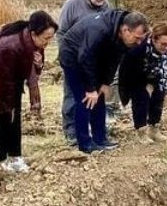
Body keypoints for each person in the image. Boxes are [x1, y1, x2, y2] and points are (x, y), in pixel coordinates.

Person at [58, 10, 150, 153]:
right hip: (74, 57)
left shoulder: (122, 35)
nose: (139, 43)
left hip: (95, 59)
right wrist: (90, 88)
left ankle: (100, 139)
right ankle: (85, 144)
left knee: (99, 97)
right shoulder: (99, 29)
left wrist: (105, 82)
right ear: (125, 30)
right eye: (137, 38)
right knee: (84, 99)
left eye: (141, 39)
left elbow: (114, 59)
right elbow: (85, 57)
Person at [0, 11, 57, 173]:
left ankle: (15, 157)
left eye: (51, 38)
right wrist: (6, 106)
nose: (48, 42)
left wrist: (39, 65)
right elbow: (0, 79)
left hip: (13, 82)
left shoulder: (34, 42)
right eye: (46, 38)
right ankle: (1, 161)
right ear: (34, 34)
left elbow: (34, 71)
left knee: (14, 120)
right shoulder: (9, 47)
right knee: (1, 120)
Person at [56, 0, 111, 145]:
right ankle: (72, 131)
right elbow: (61, 32)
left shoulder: (106, 7)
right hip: (73, 59)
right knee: (73, 95)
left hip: (93, 62)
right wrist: (68, 60)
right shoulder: (72, 5)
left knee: (95, 95)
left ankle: (95, 133)